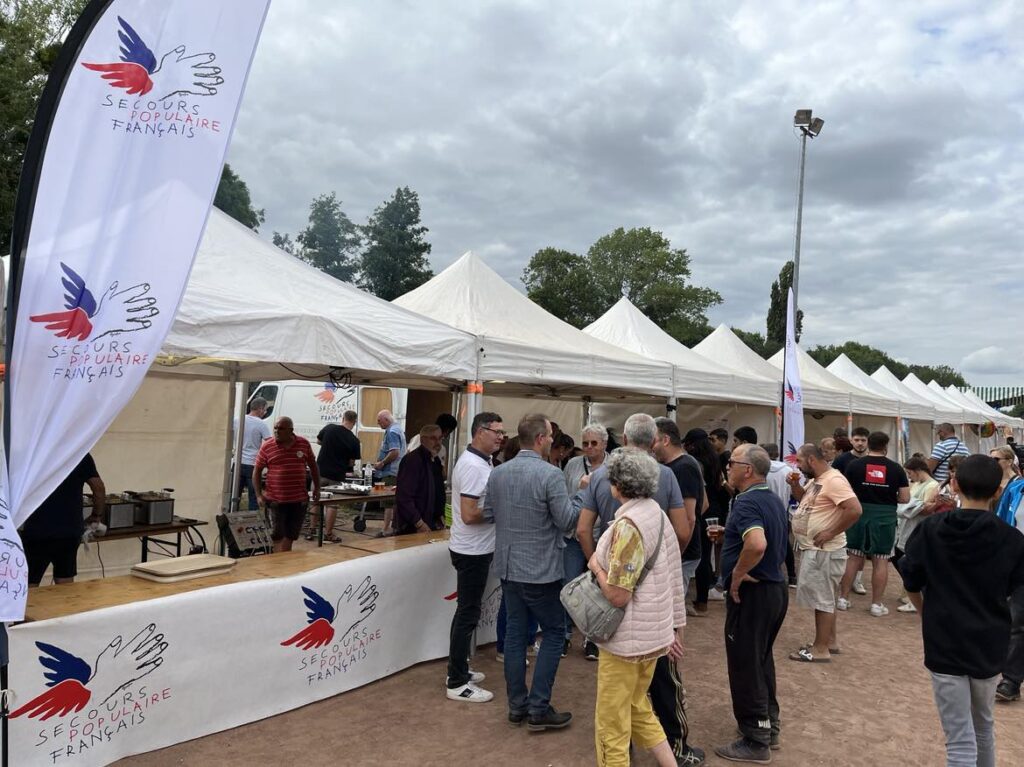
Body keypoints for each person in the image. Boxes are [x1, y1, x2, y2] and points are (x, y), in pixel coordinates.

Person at [577, 415, 701, 765]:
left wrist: (597, 566)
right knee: (639, 709)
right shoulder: (657, 515)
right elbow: (672, 576)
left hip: (626, 641)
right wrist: (675, 626)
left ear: (618, 484)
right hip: (651, 638)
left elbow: (618, 595)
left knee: (611, 726)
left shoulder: (628, 525)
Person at [900, 454, 1024, 767]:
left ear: (953, 484)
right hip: (989, 640)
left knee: (959, 738)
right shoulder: (1012, 539)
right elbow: (1013, 589)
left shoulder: (932, 529)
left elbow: (911, 581)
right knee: (983, 724)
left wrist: (924, 612)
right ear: (998, 491)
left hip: (945, 639)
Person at [485, 414, 577, 731]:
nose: (553, 439)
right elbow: (567, 521)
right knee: (552, 633)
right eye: (550, 435)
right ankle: (538, 707)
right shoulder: (551, 475)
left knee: (514, 636)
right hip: (540, 570)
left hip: (509, 567)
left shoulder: (498, 474)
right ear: (540, 439)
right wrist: (580, 497)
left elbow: (488, 512)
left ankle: (517, 706)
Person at [711, 445, 789, 763]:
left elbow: (757, 544)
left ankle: (756, 738)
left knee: (745, 662)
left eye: (731, 462)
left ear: (747, 470)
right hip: (774, 590)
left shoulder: (747, 502)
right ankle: (768, 726)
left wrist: (737, 575)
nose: (727, 467)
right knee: (760, 659)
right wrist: (729, 535)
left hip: (754, 594)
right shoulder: (770, 499)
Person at [445, 411, 503, 703]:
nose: (500, 437)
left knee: (468, 613)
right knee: (467, 614)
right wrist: (500, 509)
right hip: (471, 550)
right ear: (480, 431)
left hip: (475, 549)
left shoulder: (481, 462)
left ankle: (458, 669)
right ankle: (456, 682)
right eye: (496, 431)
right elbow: (469, 515)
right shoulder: (472, 465)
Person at [788, 443, 861, 663]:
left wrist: (830, 531)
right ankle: (830, 641)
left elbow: (855, 509)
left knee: (822, 600)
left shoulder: (834, 480)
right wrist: (795, 486)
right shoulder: (817, 480)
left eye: (799, 461)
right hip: (817, 549)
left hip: (825, 551)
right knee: (825, 597)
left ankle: (820, 649)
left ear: (811, 459)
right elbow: (806, 502)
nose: (798, 465)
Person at [837, 431, 910, 617]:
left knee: (853, 556)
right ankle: (876, 605)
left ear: (868, 444)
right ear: (886, 445)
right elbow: (905, 497)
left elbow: (845, 491)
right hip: (885, 516)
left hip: (859, 514)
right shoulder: (896, 468)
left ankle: (843, 599)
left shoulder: (854, 465)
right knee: (881, 560)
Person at [22, 453, 105, 586]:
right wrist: (96, 515)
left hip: (37, 529)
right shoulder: (80, 452)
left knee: (28, 583)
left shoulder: (37, 452)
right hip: (69, 530)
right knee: (65, 581)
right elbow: (98, 488)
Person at [562, 423, 608, 656]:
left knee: (598, 588)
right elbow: (562, 499)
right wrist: (580, 489)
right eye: (585, 443)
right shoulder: (571, 465)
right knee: (569, 585)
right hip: (573, 536)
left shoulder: (614, 467)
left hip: (602, 537)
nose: (589, 448)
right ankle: (564, 635)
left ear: (604, 444)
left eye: (594, 443)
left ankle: (593, 639)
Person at [254, 416, 320, 552]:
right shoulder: (267, 446)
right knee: (277, 534)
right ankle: (276, 562)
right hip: (276, 500)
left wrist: (317, 488)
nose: (277, 431)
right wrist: (259, 495)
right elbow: (257, 471)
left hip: (298, 499)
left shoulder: (303, 444)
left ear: (291, 430)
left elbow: (313, 466)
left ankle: (285, 559)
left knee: (291, 534)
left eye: (281, 428)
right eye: (275, 428)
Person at [653, 418, 703, 598]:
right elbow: (703, 505)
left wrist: (676, 554)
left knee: (672, 608)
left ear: (665, 440)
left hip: (682, 553)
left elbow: (690, 517)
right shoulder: (677, 465)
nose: (650, 446)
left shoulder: (684, 467)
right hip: (677, 550)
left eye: (653, 440)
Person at [990, 446, 1024, 703]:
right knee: (1017, 622)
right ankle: (1011, 680)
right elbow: (1003, 523)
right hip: (1020, 564)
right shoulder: (1016, 489)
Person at [686, 428, 729, 616]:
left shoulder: (695, 463)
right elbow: (721, 485)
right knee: (707, 554)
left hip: (703, 511)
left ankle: (700, 602)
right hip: (715, 511)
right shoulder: (715, 461)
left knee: (701, 556)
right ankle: (702, 599)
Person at [893, 457, 940, 614]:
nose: (909, 476)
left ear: (918, 471)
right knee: (900, 557)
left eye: (909, 473)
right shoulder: (916, 484)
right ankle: (909, 593)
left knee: (909, 561)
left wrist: (910, 505)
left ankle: (916, 595)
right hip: (908, 527)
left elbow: (926, 507)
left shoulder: (932, 485)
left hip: (918, 528)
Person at [313, 409, 360, 542]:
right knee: (332, 505)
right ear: (354, 422)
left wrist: (328, 445)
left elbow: (318, 441)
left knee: (316, 500)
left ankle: (311, 530)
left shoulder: (330, 428)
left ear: (343, 418)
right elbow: (351, 462)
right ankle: (328, 534)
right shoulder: (354, 440)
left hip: (320, 471)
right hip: (337, 475)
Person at [393, 425, 446, 535]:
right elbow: (404, 497)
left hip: (431, 523)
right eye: (433, 438)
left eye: (440, 438)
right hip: (412, 526)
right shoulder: (412, 460)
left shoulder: (435, 461)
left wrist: (440, 516)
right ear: (423, 440)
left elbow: (438, 491)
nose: (438, 442)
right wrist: (419, 523)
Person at [238, 397, 271, 510]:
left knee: (234, 495)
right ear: (260, 409)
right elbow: (270, 443)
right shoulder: (261, 424)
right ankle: (253, 522)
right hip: (252, 464)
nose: (265, 412)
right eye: (265, 410)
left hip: (237, 462)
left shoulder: (238, 420)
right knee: (254, 496)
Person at [373, 409, 406, 483]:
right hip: (397, 471)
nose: (378, 423)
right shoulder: (398, 429)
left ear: (386, 420)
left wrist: (382, 463)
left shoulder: (392, 432)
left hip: (390, 474)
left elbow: (395, 452)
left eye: (379, 420)